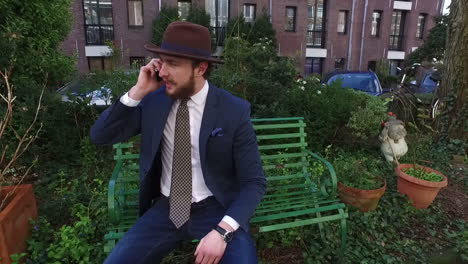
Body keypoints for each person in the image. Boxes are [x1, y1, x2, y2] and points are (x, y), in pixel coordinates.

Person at [91, 21, 266, 264]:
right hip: (166, 210)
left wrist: (223, 231)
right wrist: (137, 91)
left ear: (200, 68)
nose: (162, 72)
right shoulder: (153, 100)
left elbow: (254, 182)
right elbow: (100, 136)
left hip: (216, 209)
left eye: (173, 64)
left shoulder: (232, 110)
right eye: (162, 62)